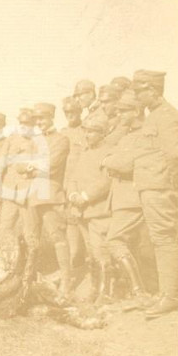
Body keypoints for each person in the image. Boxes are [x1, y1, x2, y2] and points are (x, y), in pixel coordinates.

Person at [131, 70, 178, 318]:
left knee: (164, 239)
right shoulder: (153, 116)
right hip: (150, 187)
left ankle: (171, 296)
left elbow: (175, 156)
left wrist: (169, 185)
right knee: (158, 239)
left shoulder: (167, 117)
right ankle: (166, 293)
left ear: (152, 90)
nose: (136, 96)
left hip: (160, 188)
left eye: (139, 92)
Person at [101, 90, 151, 302]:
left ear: (137, 110)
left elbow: (124, 163)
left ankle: (139, 291)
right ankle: (135, 291)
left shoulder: (145, 134)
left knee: (114, 241)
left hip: (131, 198)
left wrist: (108, 162)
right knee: (125, 243)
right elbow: (113, 156)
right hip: (122, 197)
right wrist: (112, 161)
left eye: (124, 111)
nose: (119, 114)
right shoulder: (127, 135)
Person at [19, 103, 71, 300]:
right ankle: (29, 281)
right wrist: (31, 166)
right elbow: (19, 165)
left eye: (42, 119)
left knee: (57, 237)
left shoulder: (61, 140)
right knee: (31, 239)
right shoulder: (34, 141)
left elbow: (52, 166)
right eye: (36, 120)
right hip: (32, 195)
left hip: (50, 194)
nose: (39, 123)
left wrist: (30, 167)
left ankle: (66, 282)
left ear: (51, 118)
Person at [66, 113, 113, 303]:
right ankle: (94, 288)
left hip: (98, 210)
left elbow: (106, 181)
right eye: (86, 131)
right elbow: (73, 178)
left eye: (92, 132)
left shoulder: (109, 153)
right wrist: (73, 194)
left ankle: (105, 292)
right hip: (80, 210)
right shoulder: (84, 153)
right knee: (90, 252)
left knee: (101, 251)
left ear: (102, 133)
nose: (88, 135)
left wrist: (85, 196)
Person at [0, 108, 35, 233]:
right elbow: (0, 161)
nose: (23, 126)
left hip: (28, 192)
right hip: (10, 189)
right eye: (21, 123)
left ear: (33, 125)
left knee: (29, 229)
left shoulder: (37, 141)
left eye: (27, 124)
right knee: (5, 227)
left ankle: (29, 252)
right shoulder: (11, 139)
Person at [61, 96, 88, 269]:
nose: (70, 115)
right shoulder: (62, 133)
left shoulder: (86, 130)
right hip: (66, 184)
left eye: (74, 112)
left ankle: (90, 262)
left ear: (80, 112)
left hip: (82, 185)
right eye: (67, 112)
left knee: (86, 223)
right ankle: (72, 262)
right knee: (70, 222)